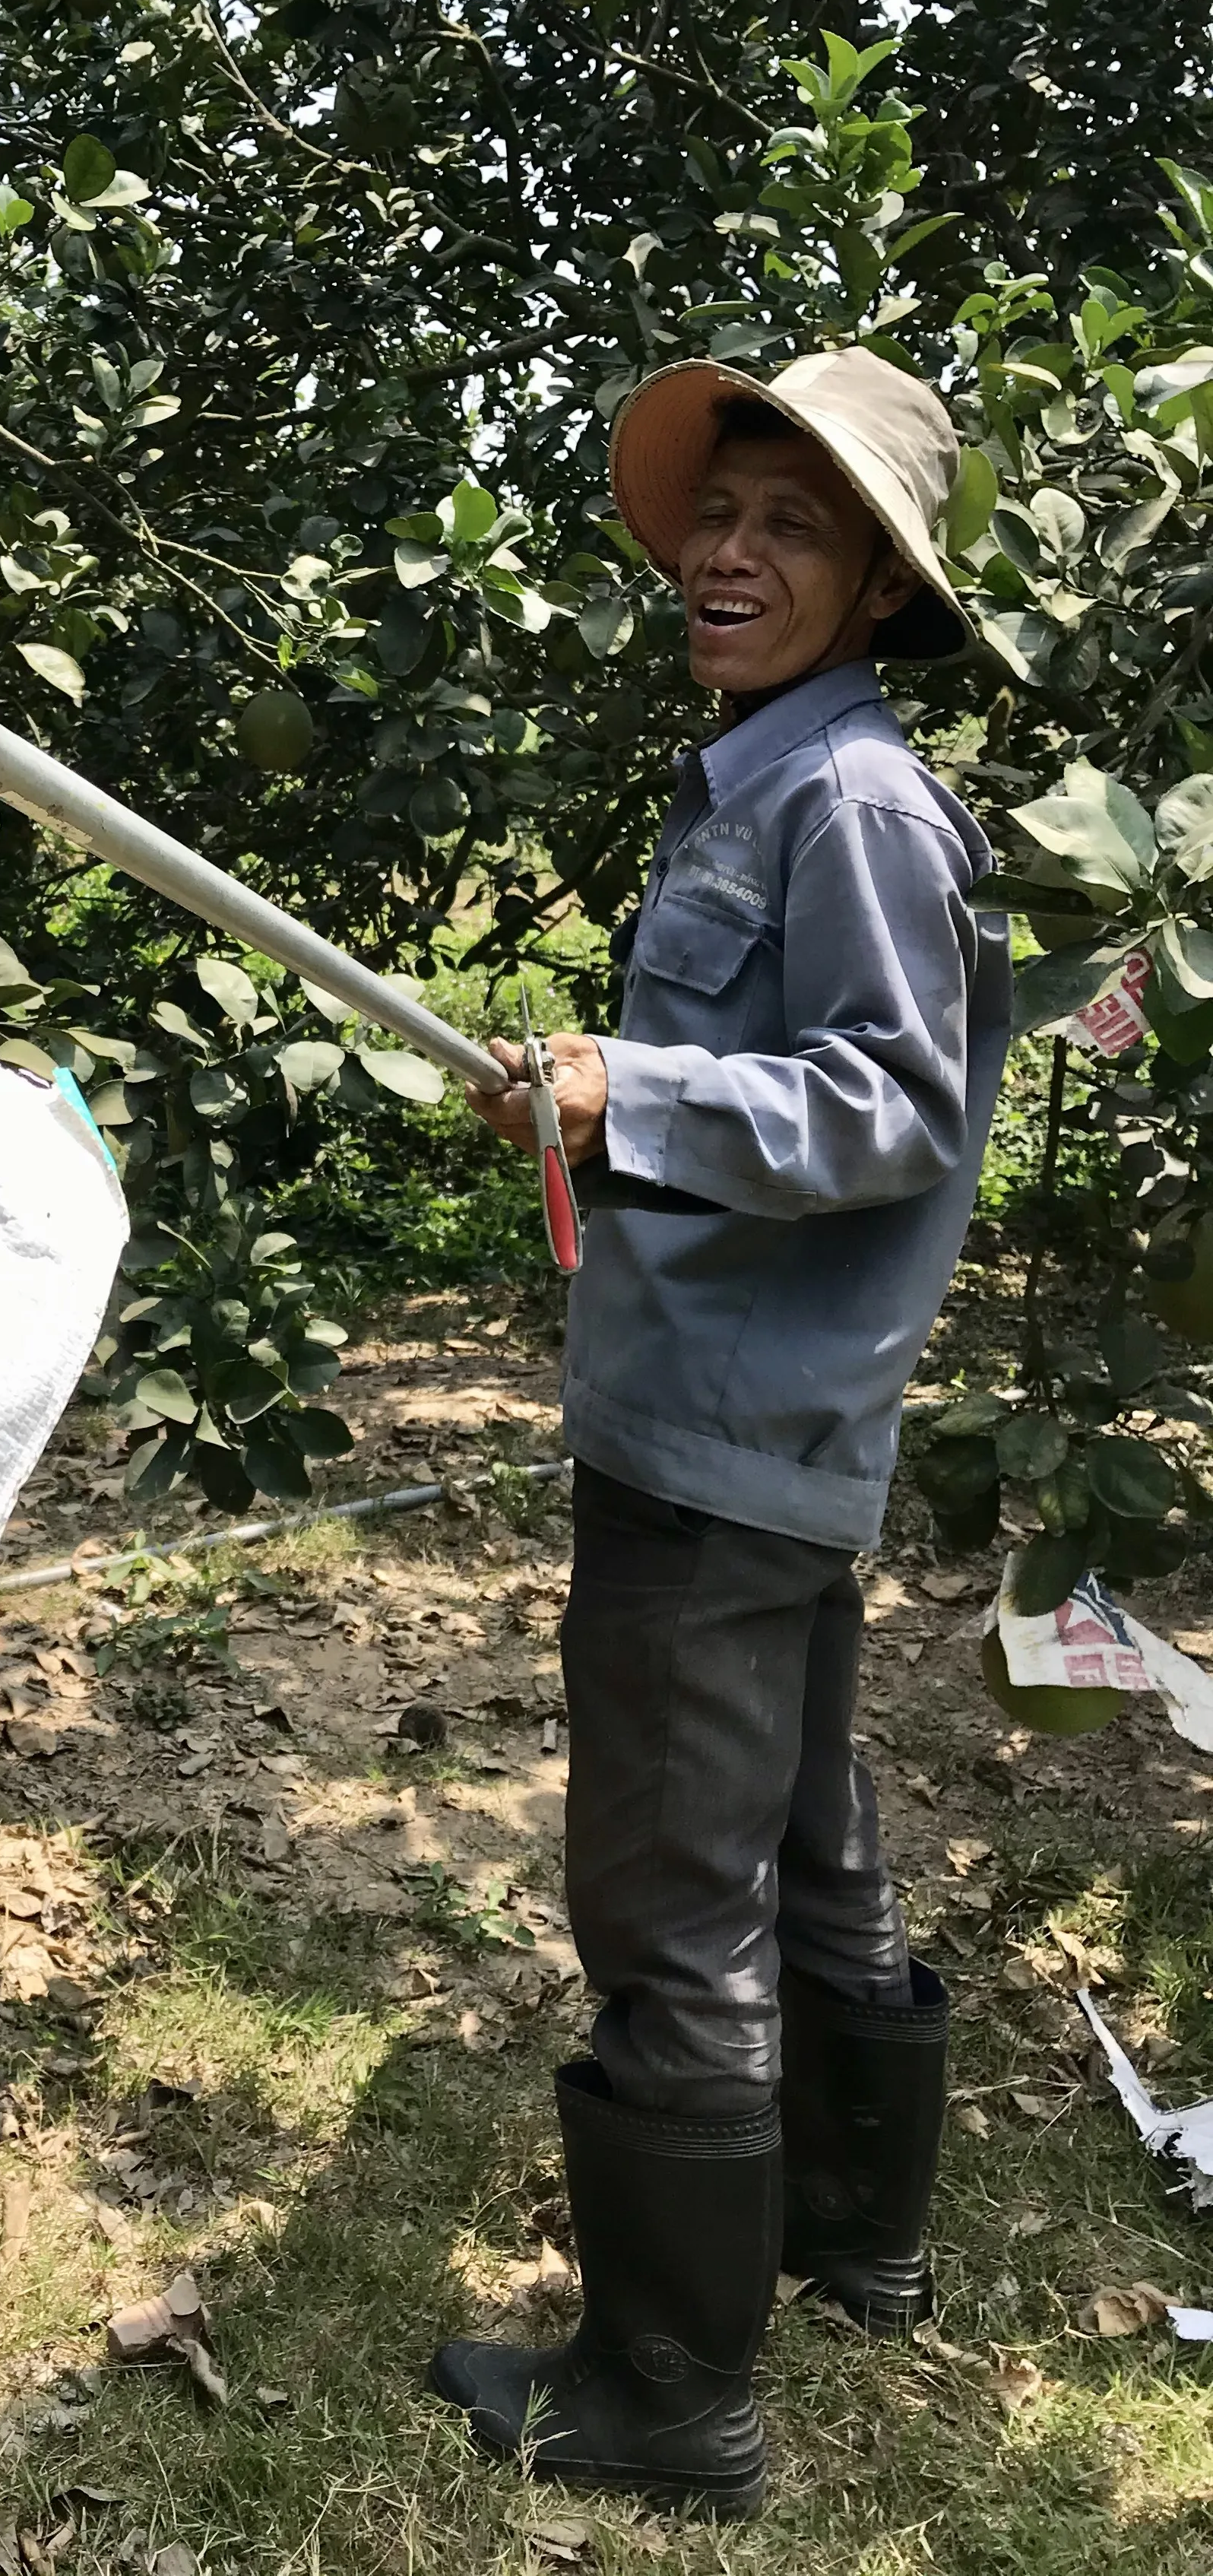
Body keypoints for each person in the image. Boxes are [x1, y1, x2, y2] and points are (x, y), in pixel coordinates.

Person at [429, 347, 1012, 2518]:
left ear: (875, 591)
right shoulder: (772, 777)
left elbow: (891, 1106)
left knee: (672, 1890)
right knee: (800, 1830)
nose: (730, 552)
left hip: (721, 1443)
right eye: (722, 511)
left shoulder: (844, 801)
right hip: (769, 1420)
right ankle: (856, 2235)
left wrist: (630, 1095)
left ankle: (671, 2396)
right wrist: (603, 1090)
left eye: (796, 525)